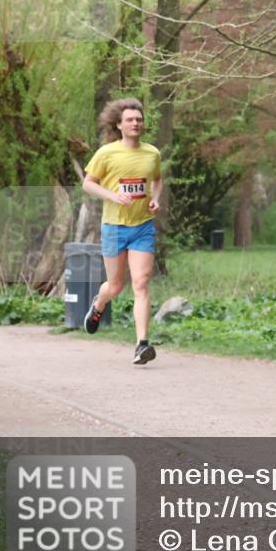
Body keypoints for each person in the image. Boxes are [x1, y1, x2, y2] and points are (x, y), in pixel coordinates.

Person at [81, 98, 162, 365]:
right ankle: (98, 306)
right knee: (115, 286)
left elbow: (157, 180)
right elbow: (88, 184)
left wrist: (155, 199)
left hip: (142, 227)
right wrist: (113, 196)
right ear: (119, 124)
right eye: (130, 119)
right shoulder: (106, 153)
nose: (136, 123)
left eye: (139, 119)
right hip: (115, 226)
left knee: (141, 282)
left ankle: (142, 344)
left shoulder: (152, 153)